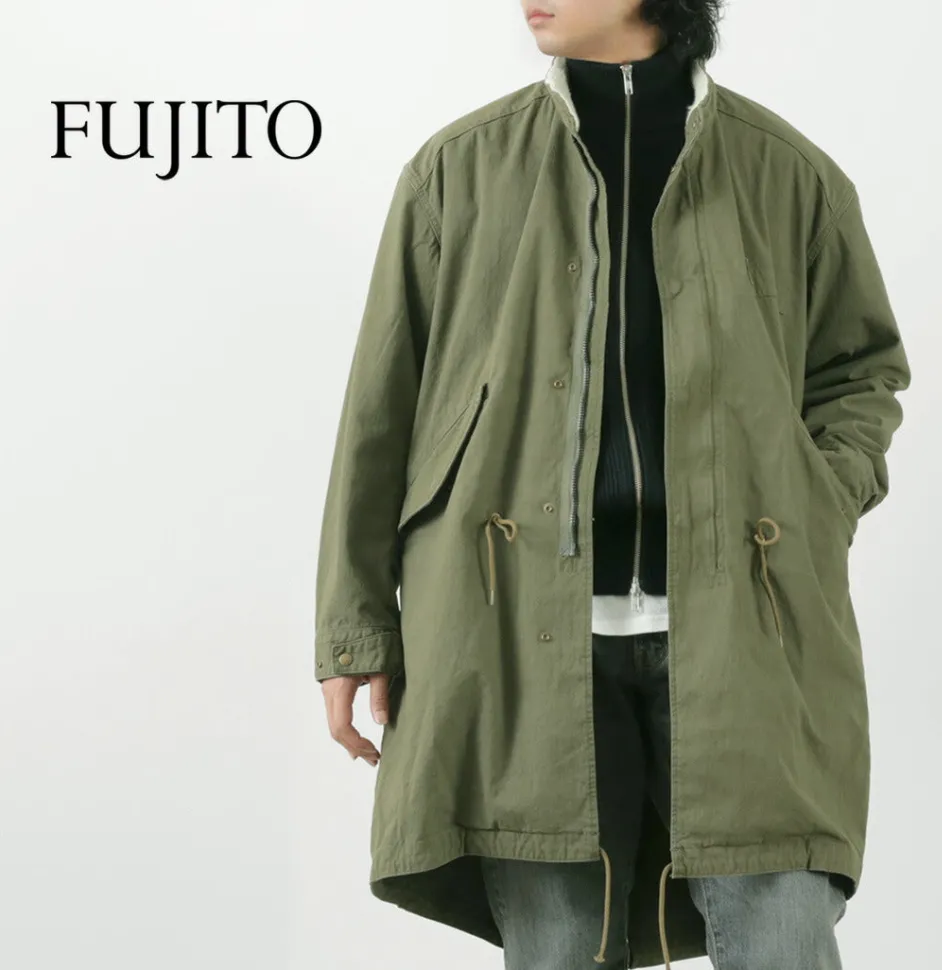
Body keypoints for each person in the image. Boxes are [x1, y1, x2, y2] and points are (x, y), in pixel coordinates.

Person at [315, 1, 911, 967]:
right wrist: (355, 629)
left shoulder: (786, 172)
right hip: (513, 628)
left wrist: (816, 494)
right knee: (557, 948)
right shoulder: (458, 169)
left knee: (783, 935)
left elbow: (861, 372)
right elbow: (380, 413)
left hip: (751, 629)